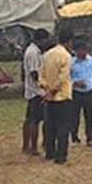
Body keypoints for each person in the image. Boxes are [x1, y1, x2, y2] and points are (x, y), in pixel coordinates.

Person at [38, 34, 74, 164]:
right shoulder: (66, 56)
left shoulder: (47, 55)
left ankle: (50, 152)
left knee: (50, 126)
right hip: (62, 96)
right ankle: (60, 156)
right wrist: (53, 90)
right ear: (69, 42)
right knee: (63, 127)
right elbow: (63, 77)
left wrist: (47, 89)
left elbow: (41, 75)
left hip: (49, 97)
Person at [70, 43, 92, 147]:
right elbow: (67, 77)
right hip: (76, 92)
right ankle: (74, 138)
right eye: (80, 51)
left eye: (84, 51)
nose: (82, 53)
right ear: (76, 51)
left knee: (89, 117)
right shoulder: (71, 62)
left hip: (89, 92)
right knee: (74, 116)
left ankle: (91, 138)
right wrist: (75, 83)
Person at [21, 31, 46, 155]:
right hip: (35, 91)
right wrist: (43, 86)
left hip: (32, 91)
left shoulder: (33, 51)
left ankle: (26, 146)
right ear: (40, 40)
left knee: (29, 119)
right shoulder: (33, 53)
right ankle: (33, 147)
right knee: (35, 120)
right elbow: (34, 73)